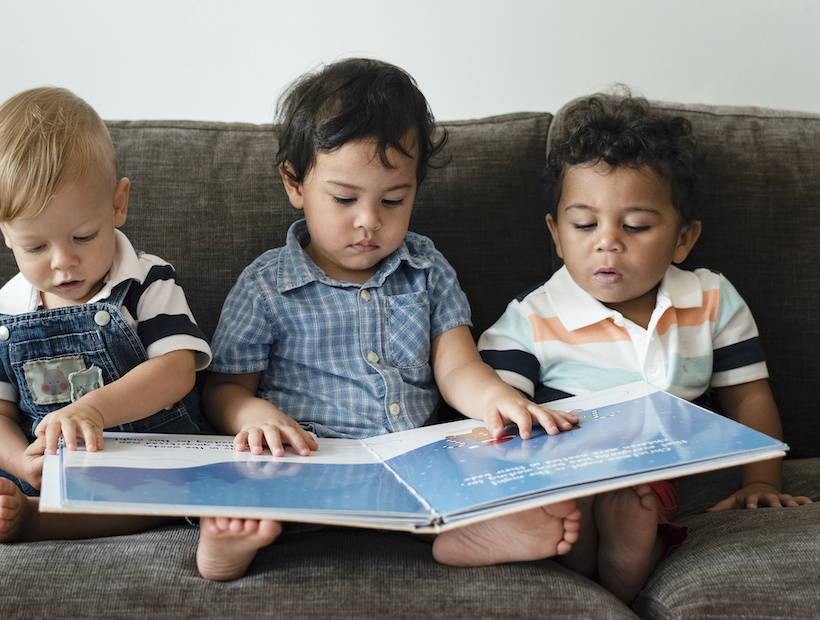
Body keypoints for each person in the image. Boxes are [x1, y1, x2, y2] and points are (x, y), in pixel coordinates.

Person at [195, 58, 582, 581]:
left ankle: (465, 530)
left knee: (492, 460)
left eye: (393, 200)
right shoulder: (267, 285)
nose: (369, 221)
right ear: (294, 184)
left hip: (418, 465)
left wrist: (497, 401)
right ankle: (232, 544)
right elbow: (222, 388)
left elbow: (457, 367)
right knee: (246, 479)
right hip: (310, 462)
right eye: (343, 198)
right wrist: (251, 415)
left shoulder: (425, 269)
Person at [477, 89, 813, 604]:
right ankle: (584, 545)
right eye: (584, 224)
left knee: (636, 499)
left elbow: (748, 397)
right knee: (571, 497)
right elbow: (495, 410)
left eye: (635, 225)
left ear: (683, 238)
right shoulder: (532, 317)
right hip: (569, 463)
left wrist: (760, 479)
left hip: (658, 470)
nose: (607, 241)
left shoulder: (710, 298)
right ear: (557, 235)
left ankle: (624, 558)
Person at [0, 87, 213, 543]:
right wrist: (21, 462)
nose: (62, 262)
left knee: (171, 487)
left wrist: (94, 410)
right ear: (4, 231)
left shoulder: (145, 281)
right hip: (40, 469)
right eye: (35, 246)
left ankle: (37, 520)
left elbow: (177, 370)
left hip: (136, 463)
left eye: (83, 237)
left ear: (118, 204)